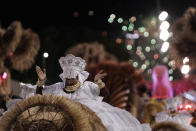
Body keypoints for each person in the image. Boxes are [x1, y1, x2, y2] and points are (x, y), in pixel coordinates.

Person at [19, 54, 150, 131]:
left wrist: (99, 83)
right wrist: (41, 82)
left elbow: (107, 98)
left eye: (72, 78)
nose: (69, 81)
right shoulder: (58, 87)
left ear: (78, 76)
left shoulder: (88, 87)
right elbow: (39, 97)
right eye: (67, 78)